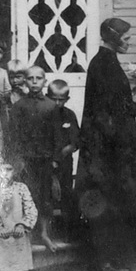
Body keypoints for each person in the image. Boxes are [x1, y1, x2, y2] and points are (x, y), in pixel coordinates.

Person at [76, 18, 136, 271]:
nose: (129, 43)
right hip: (109, 148)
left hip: (114, 144)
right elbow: (113, 110)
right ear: (112, 37)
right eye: (126, 39)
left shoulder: (107, 62)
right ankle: (106, 260)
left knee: (116, 199)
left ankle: (113, 257)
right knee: (111, 200)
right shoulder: (104, 64)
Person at [6, 66, 58, 252]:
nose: (35, 82)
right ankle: (25, 233)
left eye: (39, 78)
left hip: (45, 159)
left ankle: (44, 233)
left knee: (45, 196)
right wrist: (16, 159)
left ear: (45, 81)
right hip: (25, 160)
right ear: (25, 82)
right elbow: (13, 135)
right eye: (30, 78)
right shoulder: (19, 106)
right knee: (27, 195)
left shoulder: (51, 106)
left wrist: (55, 159)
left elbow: (56, 136)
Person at [47, 80, 81, 242]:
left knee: (67, 195)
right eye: (54, 99)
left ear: (67, 99)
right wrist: (52, 159)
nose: (57, 102)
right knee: (47, 196)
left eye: (61, 99)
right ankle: (47, 233)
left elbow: (76, 141)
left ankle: (69, 233)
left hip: (65, 164)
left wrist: (63, 153)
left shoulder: (69, 115)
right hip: (47, 163)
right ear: (47, 97)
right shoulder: (44, 115)